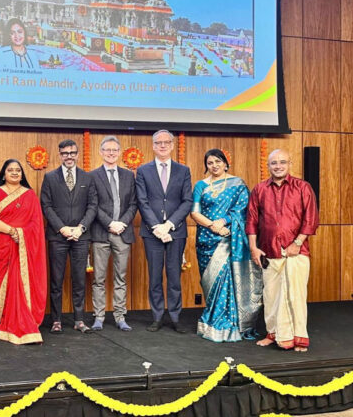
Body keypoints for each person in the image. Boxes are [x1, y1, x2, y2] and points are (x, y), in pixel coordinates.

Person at [247, 149, 318, 352]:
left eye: (282, 162)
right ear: (268, 166)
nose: (278, 166)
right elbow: (251, 220)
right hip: (269, 251)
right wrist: (254, 247)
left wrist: (297, 242)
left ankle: (298, 338)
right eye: (274, 163)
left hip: (296, 252)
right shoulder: (260, 189)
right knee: (271, 295)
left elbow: (311, 219)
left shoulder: (303, 187)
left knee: (295, 294)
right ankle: (273, 334)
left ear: (290, 164)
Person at [190, 149, 262, 342]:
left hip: (229, 238)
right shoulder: (200, 185)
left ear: (225, 163)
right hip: (206, 238)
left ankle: (228, 324)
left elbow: (242, 210)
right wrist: (213, 226)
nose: (214, 165)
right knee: (211, 282)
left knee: (227, 281)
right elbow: (195, 212)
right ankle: (212, 320)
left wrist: (224, 221)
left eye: (218, 161)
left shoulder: (237, 184)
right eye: (210, 162)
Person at [135, 129, 193, 333]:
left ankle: (176, 316)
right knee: (155, 276)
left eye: (166, 142)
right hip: (152, 233)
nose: (162, 145)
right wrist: (157, 227)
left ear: (172, 145)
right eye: (158, 143)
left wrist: (169, 225)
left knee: (174, 275)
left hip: (176, 232)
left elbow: (187, 201)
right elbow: (142, 201)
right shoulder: (143, 170)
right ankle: (157, 316)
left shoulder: (183, 170)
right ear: (152, 146)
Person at [0, 159, 47, 344]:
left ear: (22, 174)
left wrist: (21, 234)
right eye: (10, 170)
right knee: (2, 282)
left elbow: (36, 224)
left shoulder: (29, 195)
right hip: (3, 243)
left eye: (18, 170)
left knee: (21, 281)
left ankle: (24, 320)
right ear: (3, 173)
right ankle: (6, 319)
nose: (14, 173)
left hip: (25, 245)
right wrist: (12, 231)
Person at [40, 139, 97, 333]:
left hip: (81, 236)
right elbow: (46, 205)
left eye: (72, 153)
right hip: (58, 236)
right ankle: (56, 320)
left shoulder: (87, 178)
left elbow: (92, 206)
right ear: (60, 155)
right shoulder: (49, 177)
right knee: (56, 279)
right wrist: (62, 228)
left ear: (77, 154)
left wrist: (80, 228)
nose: (69, 156)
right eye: (65, 153)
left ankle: (79, 320)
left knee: (79, 279)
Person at [89, 136, 138, 331]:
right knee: (99, 278)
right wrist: (109, 223)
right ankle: (99, 317)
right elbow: (93, 204)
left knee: (121, 277)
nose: (111, 153)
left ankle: (120, 317)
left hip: (123, 233)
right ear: (101, 152)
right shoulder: (92, 176)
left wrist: (121, 224)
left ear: (119, 153)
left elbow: (134, 204)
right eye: (107, 150)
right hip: (101, 233)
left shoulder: (128, 176)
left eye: (114, 150)